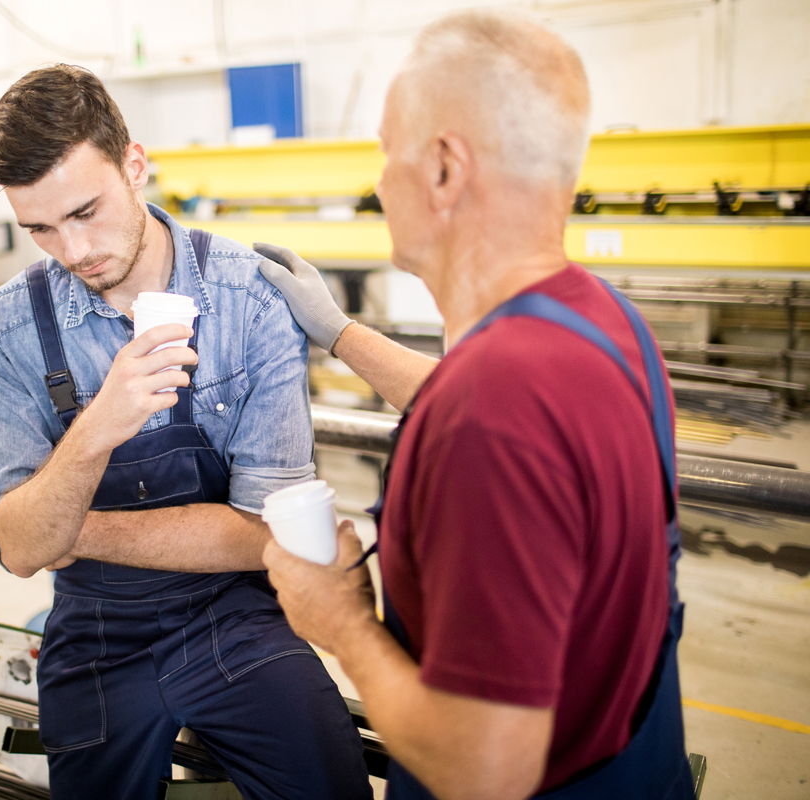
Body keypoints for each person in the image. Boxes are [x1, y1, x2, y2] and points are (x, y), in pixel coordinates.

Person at [256, 11, 697, 800]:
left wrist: (341, 621)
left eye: (388, 150)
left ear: (445, 170)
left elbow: (485, 770)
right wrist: (341, 333)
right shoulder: (607, 325)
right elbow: (499, 414)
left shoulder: (492, 412)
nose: (378, 179)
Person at [0, 65, 372, 800]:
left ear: (134, 164)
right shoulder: (9, 325)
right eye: (40, 228)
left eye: (86, 211)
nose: (71, 250)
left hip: (232, 611)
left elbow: (267, 534)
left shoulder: (251, 297)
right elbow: (20, 549)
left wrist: (71, 528)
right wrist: (99, 427)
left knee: (331, 781)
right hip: (94, 632)